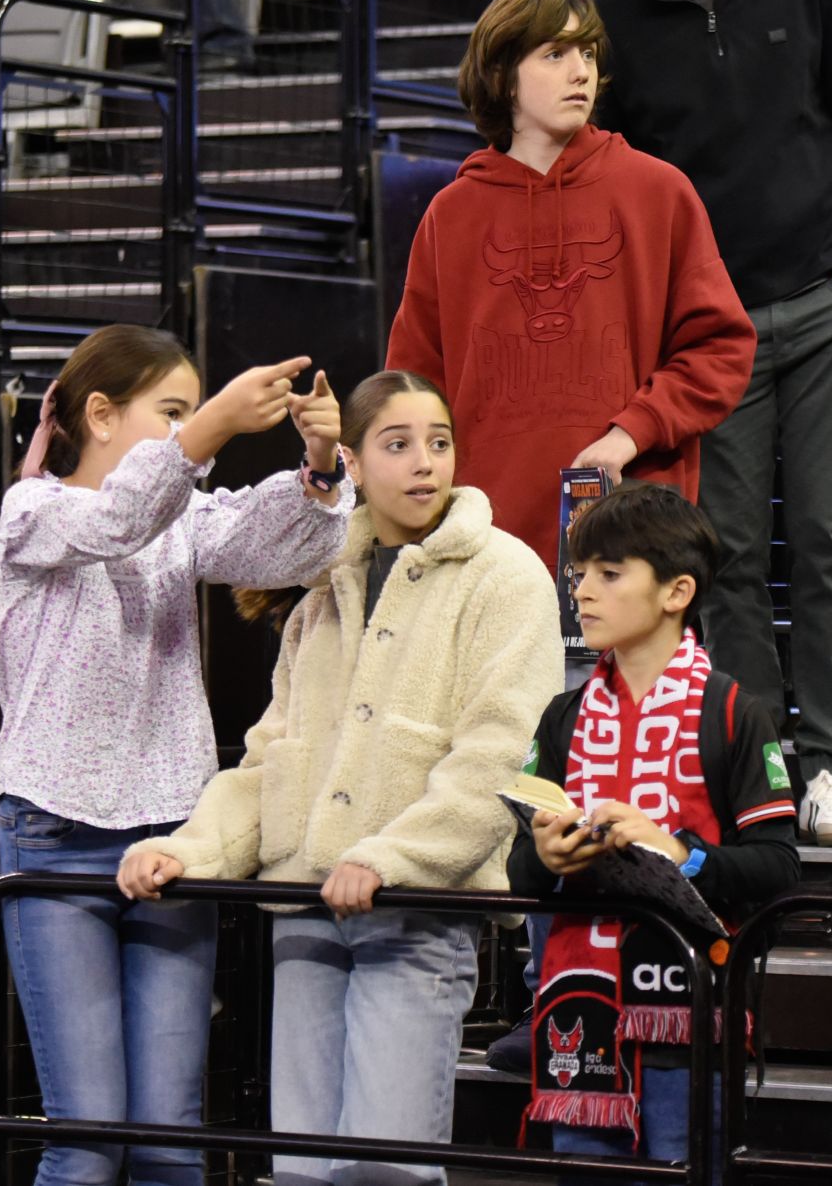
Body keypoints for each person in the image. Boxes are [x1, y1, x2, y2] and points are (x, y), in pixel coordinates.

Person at [118, 371, 562, 1186]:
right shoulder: (325, 582)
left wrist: (389, 860)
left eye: (438, 442)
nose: (425, 463)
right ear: (351, 462)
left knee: (385, 1173)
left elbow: (498, 762)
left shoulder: (508, 575)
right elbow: (271, 760)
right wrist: (192, 851)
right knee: (301, 1173)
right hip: (303, 914)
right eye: (397, 445)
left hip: (415, 914)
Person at [0, 324, 350, 1186]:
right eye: (172, 412)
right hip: (53, 832)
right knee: (88, 1139)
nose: (188, 431)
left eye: (191, 412)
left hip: (173, 843)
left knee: (167, 1140)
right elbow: (117, 519)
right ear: (102, 415)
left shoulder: (179, 512)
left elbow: (284, 547)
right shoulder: (32, 511)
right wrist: (214, 428)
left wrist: (323, 466)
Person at [588, 0, 832, 848]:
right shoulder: (609, 12)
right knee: (719, 556)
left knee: (827, 539)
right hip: (703, 333)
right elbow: (605, 173)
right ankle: (763, 764)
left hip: (824, 301)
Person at [385, 0, 755, 575]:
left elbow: (720, 347)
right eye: (554, 54)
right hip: (483, 547)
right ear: (504, 75)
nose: (579, 70)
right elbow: (413, 385)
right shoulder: (450, 215)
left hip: (628, 541)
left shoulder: (659, 192)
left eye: (586, 53)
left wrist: (629, 435)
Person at [507, 483, 801, 1169]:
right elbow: (520, 871)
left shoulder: (732, 712)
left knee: (682, 1167)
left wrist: (678, 851)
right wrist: (545, 854)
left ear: (677, 592)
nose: (582, 592)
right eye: (581, 575)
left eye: (609, 574)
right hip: (576, 1010)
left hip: (686, 1013)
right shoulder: (562, 715)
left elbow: (780, 869)